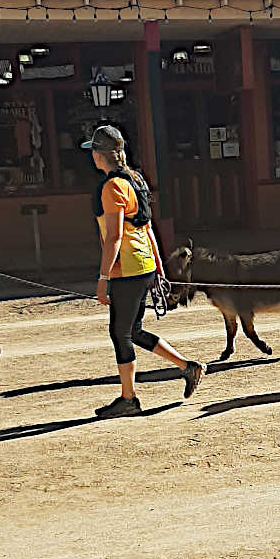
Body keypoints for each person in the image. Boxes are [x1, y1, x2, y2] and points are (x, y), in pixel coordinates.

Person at [84, 125, 206, 418]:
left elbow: (113, 237)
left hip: (127, 268)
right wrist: (158, 267)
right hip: (143, 264)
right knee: (133, 331)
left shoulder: (112, 187)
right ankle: (188, 367)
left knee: (120, 333)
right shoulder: (135, 179)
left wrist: (103, 279)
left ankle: (129, 399)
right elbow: (148, 227)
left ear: (100, 156)